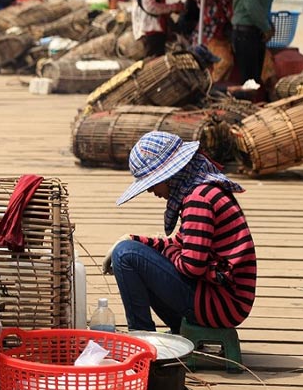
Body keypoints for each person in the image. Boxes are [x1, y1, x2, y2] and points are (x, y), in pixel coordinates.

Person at [102, 131, 257, 333]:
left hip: (219, 303)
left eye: (152, 183)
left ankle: (141, 336)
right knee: (128, 247)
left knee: (125, 254)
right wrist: (134, 239)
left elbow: (191, 267)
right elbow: (179, 243)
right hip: (223, 301)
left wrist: (161, 251)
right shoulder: (202, 190)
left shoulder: (198, 199)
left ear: (170, 176)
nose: (150, 191)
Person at [186, 0, 243, 83]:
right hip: (207, 40)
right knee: (224, 61)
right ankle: (211, 87)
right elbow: (232, 18)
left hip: (223, 39)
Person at [231, 0, 276, 99]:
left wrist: (268, 24)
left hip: (256, 31)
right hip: (246, 31)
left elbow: (264, 4)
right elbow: (251, 5)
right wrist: (266, 26)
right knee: (249, 82)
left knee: (254, 81)